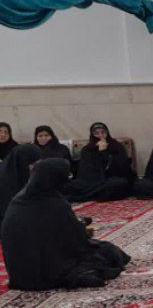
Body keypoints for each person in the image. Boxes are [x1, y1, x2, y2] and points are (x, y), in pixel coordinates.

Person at [1, 158, 131, 291]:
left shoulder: (19, 200)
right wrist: (81, 229)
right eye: (66, 175)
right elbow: (76, 243)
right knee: (108, 251)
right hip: (48, 271)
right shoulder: (55, 204)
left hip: (20, 275)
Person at [64, 123, 135, 203]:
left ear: (107, 133)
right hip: (92, 182)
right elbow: (86, 171)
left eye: (103, 132)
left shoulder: (116, 146)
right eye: (97, 133)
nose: (101, 135)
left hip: (110, 179)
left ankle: (84, 196)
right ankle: (93, 194)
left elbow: (122, 168)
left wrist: (103, 151)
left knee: (120, 183)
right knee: (69, 185)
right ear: (92, 135)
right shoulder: (87, 149)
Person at [0, 144, 41, 221]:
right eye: (33, 163)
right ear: (23, 160)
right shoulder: (4, 181)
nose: (35, 167)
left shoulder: (24, 173)